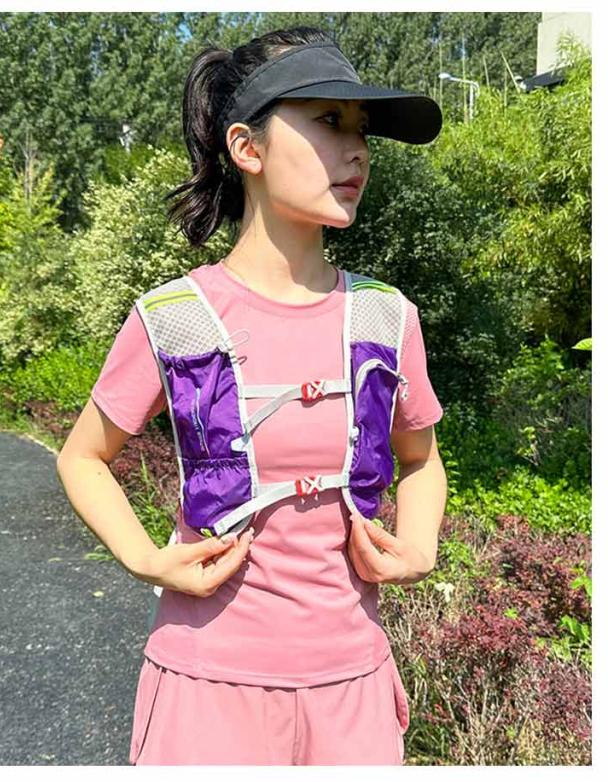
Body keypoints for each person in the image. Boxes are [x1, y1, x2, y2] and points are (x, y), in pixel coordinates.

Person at [56, 25, 448, 766]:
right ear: (247, 147)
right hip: (205, 688)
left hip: (353, 692)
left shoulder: (386, 318)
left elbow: (421, 459)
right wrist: (144, 558)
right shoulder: (175, 317)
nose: (357, 150)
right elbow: (82, 457)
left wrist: (421, 546)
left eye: (362, 130)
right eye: (329, 120)